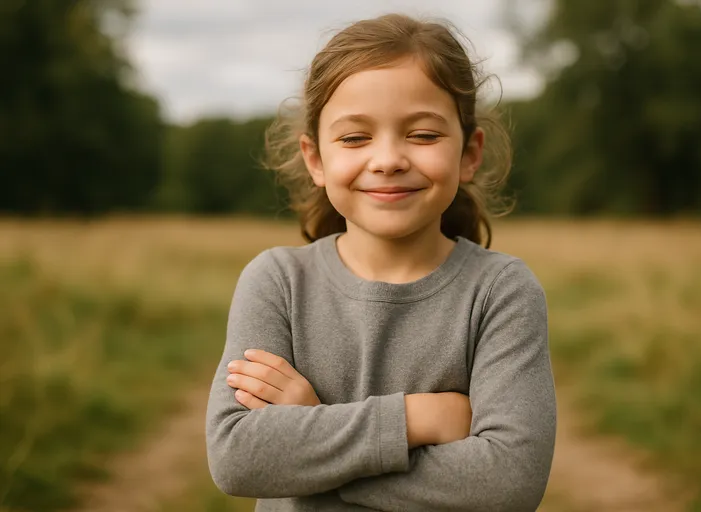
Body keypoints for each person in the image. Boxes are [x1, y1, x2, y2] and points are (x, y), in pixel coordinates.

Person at [206, 12, 556, 512]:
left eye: (423, 135)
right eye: (354, 138)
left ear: (469, 153)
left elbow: (508, 482)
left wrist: (313, 434)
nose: (388, 158)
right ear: (316, 159)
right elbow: (237, 457)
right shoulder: (277, 281)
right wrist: (414, 420)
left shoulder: (500, 291)